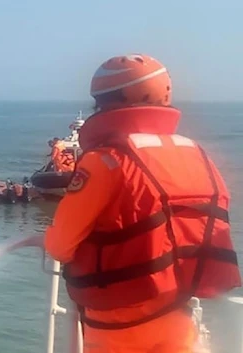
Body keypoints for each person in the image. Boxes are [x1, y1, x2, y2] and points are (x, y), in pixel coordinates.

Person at [43, 54, 241, 353]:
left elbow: (60, 246)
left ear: (106, 103)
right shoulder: (195, 153)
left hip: (117, 324)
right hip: (177, 310)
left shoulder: (104, 161)